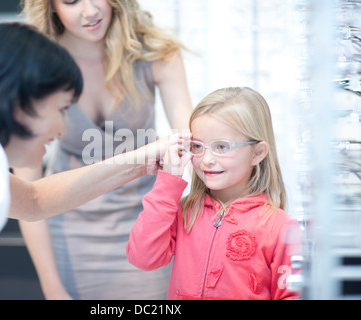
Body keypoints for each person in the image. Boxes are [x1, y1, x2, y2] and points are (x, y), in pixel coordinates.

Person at [0, 22, 184, 300]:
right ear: (21, 98)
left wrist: (143, 158)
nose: (64, 129)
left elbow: (33, 200)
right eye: (62, 108)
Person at [16, 0, 193, 300]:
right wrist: (52, 286)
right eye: (71, 1)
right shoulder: (34, 67)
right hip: (69, 227)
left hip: (148, 226)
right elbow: (28, 190)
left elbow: (190, 142)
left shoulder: (156, 52)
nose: (90, 11)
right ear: (50, 6)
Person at [127, 87, 303, 300]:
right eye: (198, 146)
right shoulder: (184, 213)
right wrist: (168, 182)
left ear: (257, 153)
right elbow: (143, 257)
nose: (206, 159)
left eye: (221, 146)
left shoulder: (280, 226)